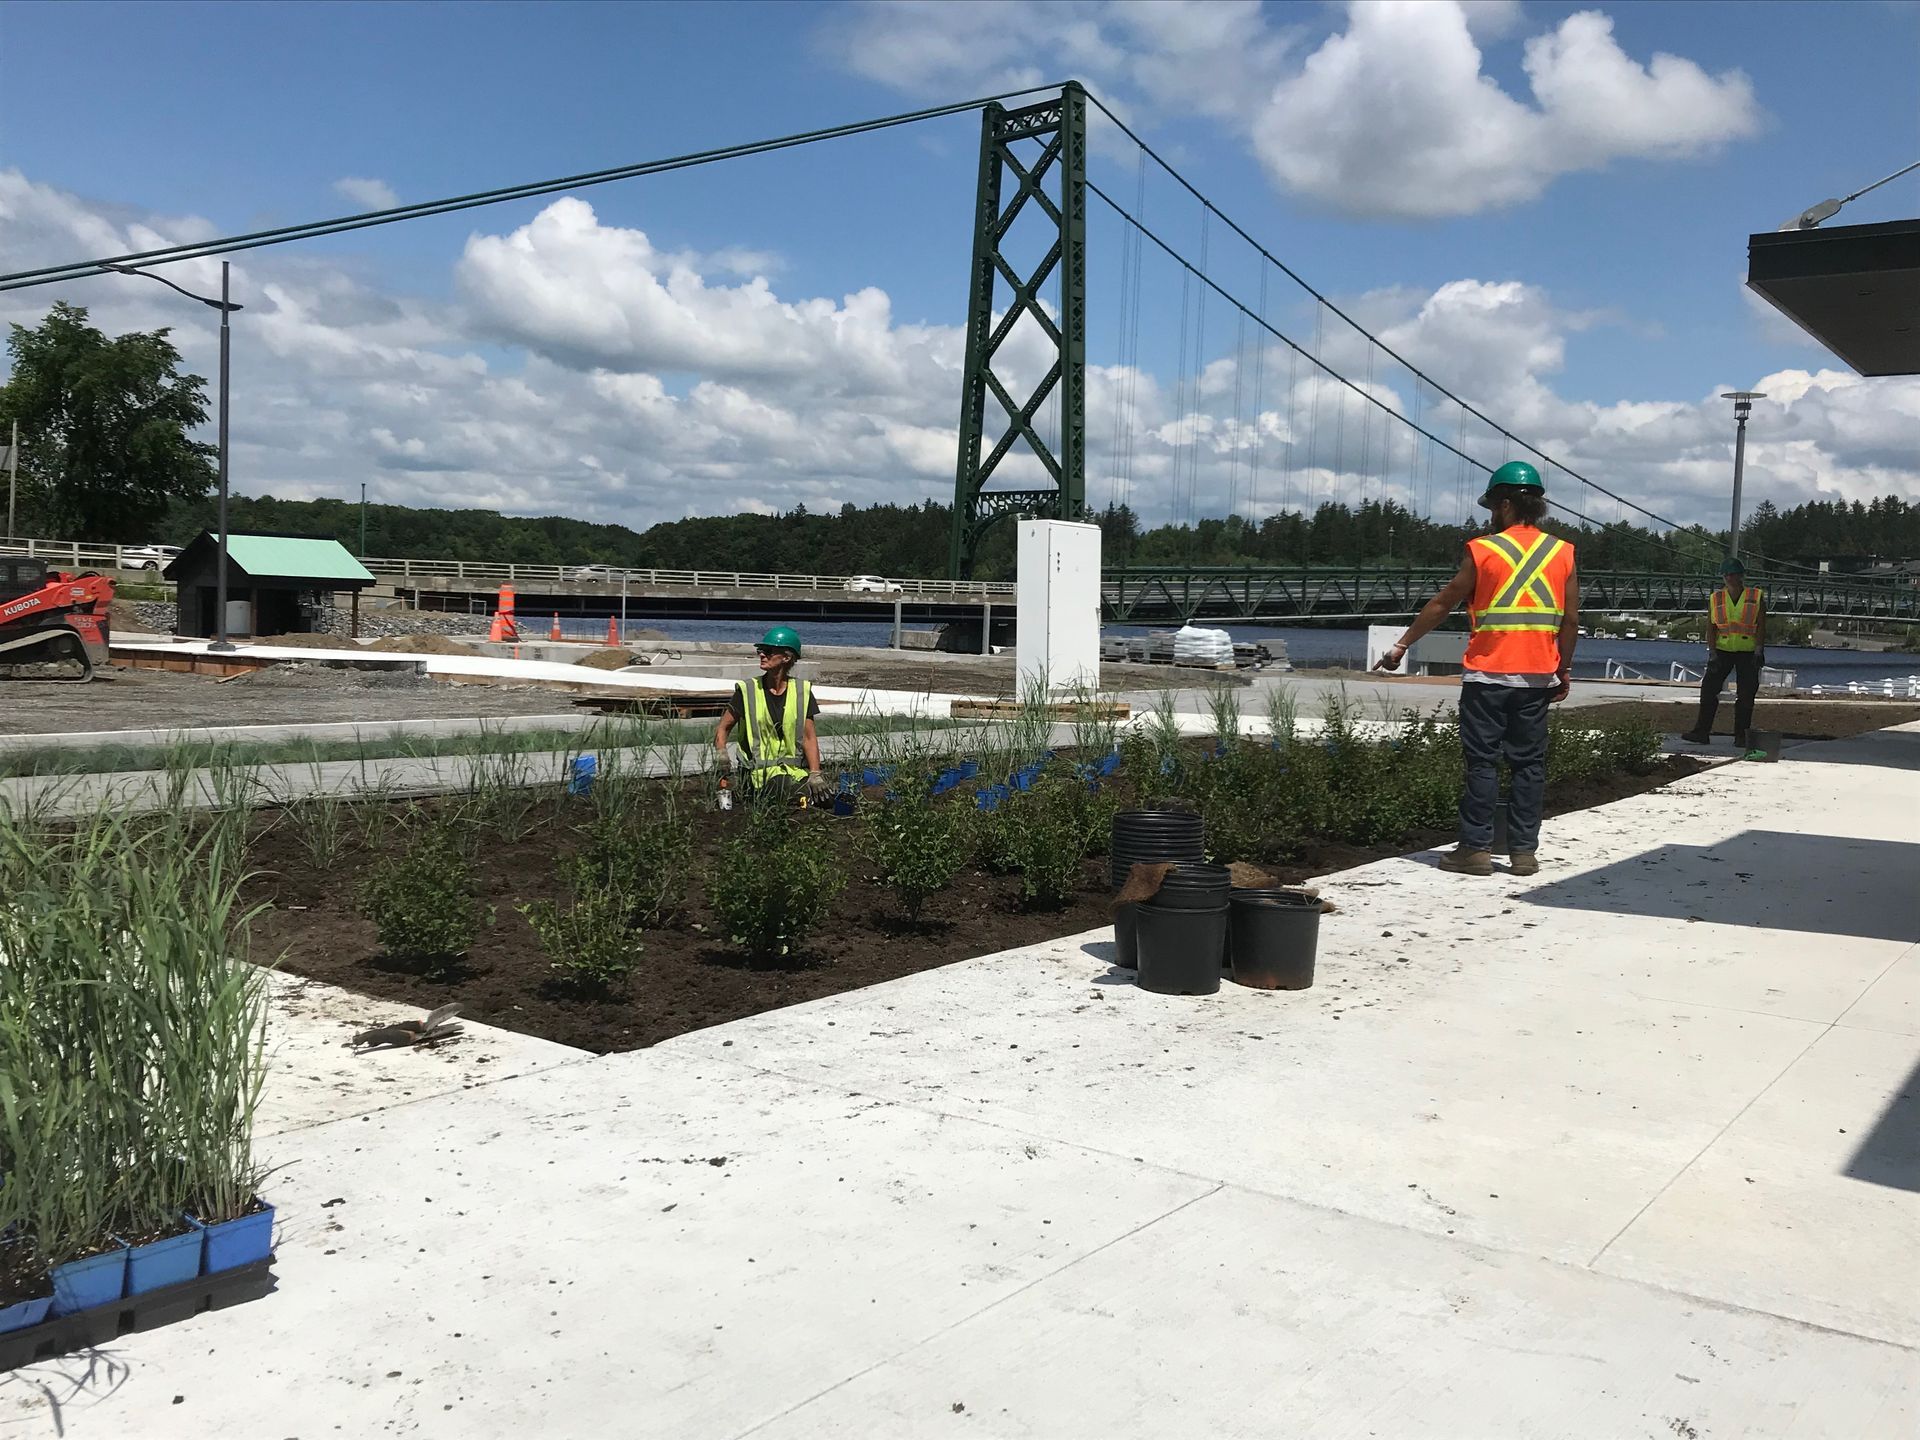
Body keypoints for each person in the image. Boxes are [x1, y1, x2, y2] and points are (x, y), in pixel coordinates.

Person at [1373, 460, 1579, 877]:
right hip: (1537, 676)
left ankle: (1475, 850)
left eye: (1492, 507)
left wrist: (1401, 645)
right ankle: (1523, 853)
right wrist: (1564, 669)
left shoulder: (1483, 549)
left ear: (1504, 505)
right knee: (1529, 765)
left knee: (1483, 762)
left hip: (1488, 676)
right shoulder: (1562, 552)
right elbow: (1571, 620)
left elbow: (1443, 602)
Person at [713, 625, 830, 804]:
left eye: (768, 651)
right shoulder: (748, 691)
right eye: (760, 650)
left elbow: (809, 737)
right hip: (757, 777)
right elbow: (723, 728)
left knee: (825, 798)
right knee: (791, 793)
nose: (762, 655)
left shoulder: (802, 692)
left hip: (793, 774)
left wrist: (815, 773)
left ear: (786, 657)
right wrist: (721, 752)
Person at [1681, 558, 1765, 748]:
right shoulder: (1716, 598)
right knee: (1708, 691)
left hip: (1747, 651)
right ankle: (1701, 732)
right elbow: (1711, 628)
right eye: (1725, 574)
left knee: (1746, 695)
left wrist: (1759, 650)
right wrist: (1712, 652)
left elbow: (1761, 625)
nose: (1728, 578)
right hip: (1722, 650)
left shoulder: (1755, 596)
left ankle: (1741, 736)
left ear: (1740, 576)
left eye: (1732, 574)